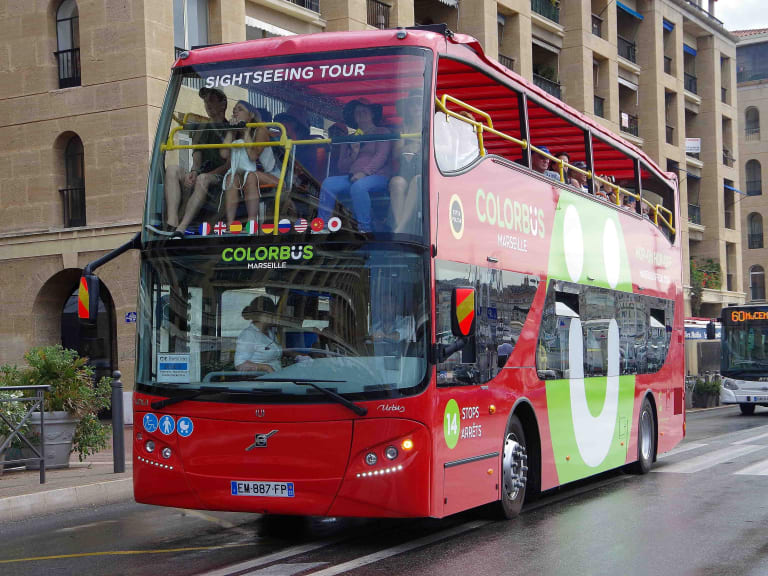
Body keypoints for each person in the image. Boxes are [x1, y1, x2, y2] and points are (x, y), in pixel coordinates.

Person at [317, 98, 392, 233]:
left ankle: (365, 229)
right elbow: (342, 167)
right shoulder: (349, 138)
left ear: (372, 114)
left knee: (359, 187)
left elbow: (381, 156)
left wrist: (365, 173)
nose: (361, 114)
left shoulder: (382, 131)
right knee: (328, 183)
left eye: (364, 111)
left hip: (378, 176)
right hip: (352, 177)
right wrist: (354, 153)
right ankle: (322, 227)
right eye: (357, 112)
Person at [165, 87, 230, 235]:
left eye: (212, 100)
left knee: (202, 178)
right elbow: (197, 160)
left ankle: (182, 227)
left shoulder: (232, 128)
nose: (207, 104)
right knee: (172, 169)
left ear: (223, 104)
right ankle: (172, 221)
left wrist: (203, 175)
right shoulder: (202, 129)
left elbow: (229, 165)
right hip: (202, 174)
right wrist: (193, 172)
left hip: (222, 177)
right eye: (206, 101)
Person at [220, 100, 281, 225]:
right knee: (231, 178)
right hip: (245, 173)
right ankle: (230, 224)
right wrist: (231, 131)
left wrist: (246, 132)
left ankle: (251, 222)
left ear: (251, 115)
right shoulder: (235, 132)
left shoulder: (260, 130)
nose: (235, 112)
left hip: (271, 176)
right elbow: (224, 154)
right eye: (234, 111)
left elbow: (253, 156)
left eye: (240, 109)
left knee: (250, 176)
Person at [389, 91, 423, 234]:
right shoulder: (403, 128)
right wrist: (414, 145)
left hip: (425, 172)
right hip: (405, 171)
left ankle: (401, 228)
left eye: (419, 103)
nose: (415, 107)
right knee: (396, 182)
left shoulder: (433, 125)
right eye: (412, 104)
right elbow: (396, 153)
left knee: (416, 181)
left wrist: (411, 146)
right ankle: (400, 226)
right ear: (407, 108)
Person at [235, 297, 283, 373]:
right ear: (264, 314)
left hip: (276, 379)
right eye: (273, 314)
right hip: (259, 381)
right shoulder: (249, 334)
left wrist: (295, 354)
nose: (275, 317)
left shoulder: (270, 332)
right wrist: (265, 368)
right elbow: (240, 364)